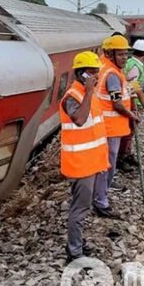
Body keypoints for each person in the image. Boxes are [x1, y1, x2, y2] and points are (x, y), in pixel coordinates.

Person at [58, 52, 109, 261]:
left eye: (97, 73)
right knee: (79, 209)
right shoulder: (73, 96)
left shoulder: (88, 94)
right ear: (81, 74)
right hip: (80, 164)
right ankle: (75, 252)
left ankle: (77, 243)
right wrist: (89, 92)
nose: (96, 78)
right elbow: (79, 119)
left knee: (81, 207)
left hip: (91, 161)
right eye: (92, 73)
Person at [94, 35, 138, 215]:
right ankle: (101, 202)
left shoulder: (105, 67)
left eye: (126, 54)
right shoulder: (112, 74)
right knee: (107, 165)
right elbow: (116, 104)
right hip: (111, 127)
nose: (124, 58)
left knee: (105, 164)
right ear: (110, 54)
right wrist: (132, 115)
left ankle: (100, 194)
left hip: (107, 126)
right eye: (120, 54)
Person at [118, 39, 144, 171]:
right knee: (129, 133)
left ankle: (126, 154)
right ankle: (122, 158)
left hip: (128, 101)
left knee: (129, 132)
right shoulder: (136, 66)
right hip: (131, 103)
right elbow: (133, 87)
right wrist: (142, 105)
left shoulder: (130, 62)